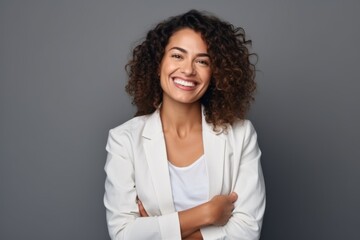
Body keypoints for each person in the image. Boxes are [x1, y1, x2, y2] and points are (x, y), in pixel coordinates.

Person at [104, 9, 265, 240]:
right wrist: (206, 213)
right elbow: (123, 234)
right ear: (158, 63)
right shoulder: (124, 140)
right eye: (177, 56)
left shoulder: (241, 135)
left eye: (202, 61)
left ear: (216, 73)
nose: (188, 70)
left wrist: (157, 229)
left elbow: (246, 232)